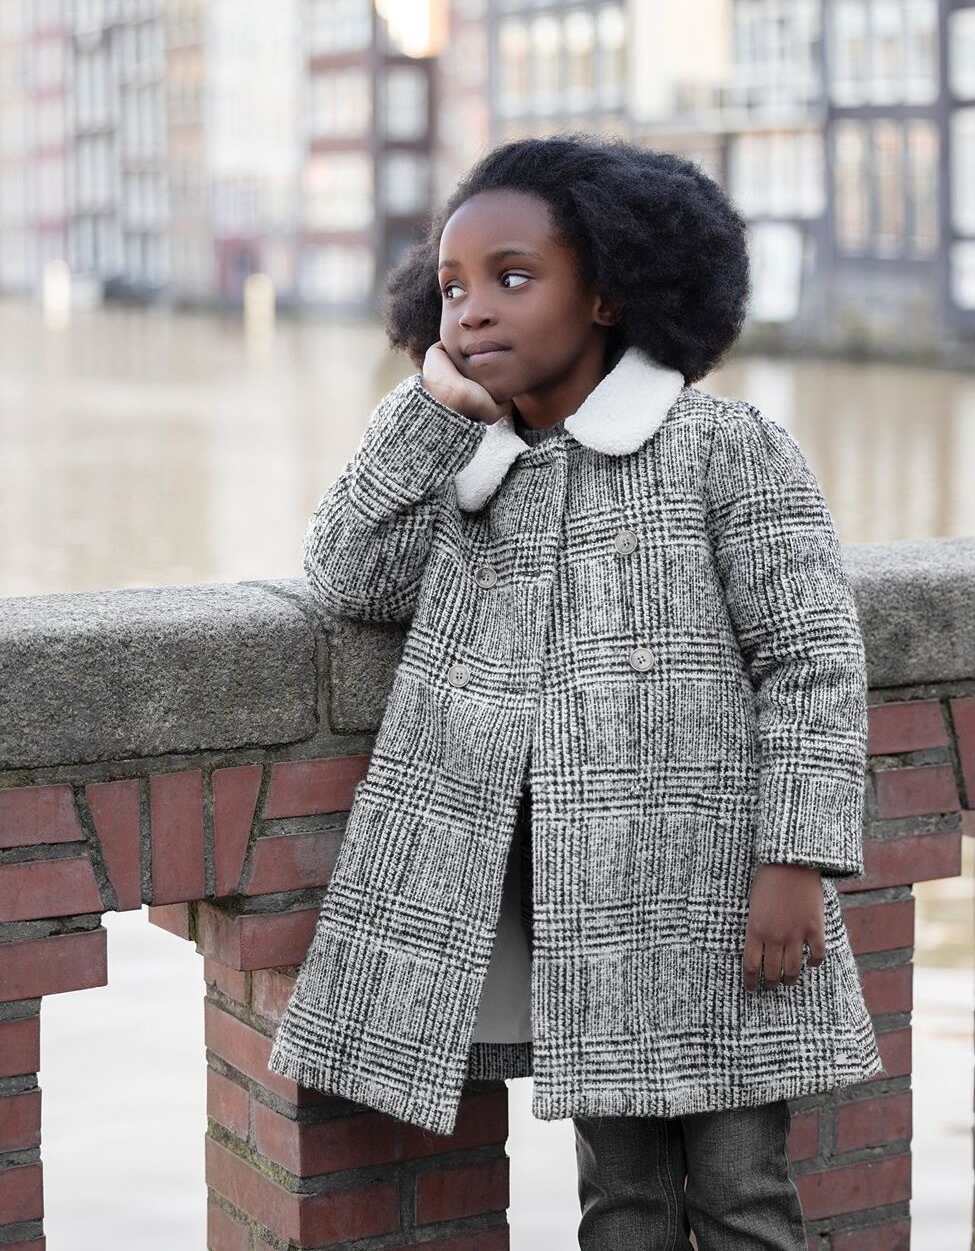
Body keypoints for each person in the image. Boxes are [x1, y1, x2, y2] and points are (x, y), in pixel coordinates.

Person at [269, 133, 883, 1248]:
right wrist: (432, 411)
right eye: (452, 287)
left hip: (717, 900)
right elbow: (349, 575)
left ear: (607, 293)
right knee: (620, 1201)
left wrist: (797, 859)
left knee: (742, 1193)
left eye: (513, 278)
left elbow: (811, 660)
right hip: (576, 915)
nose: (473, 310)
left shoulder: (723, 447)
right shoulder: (471, 470)